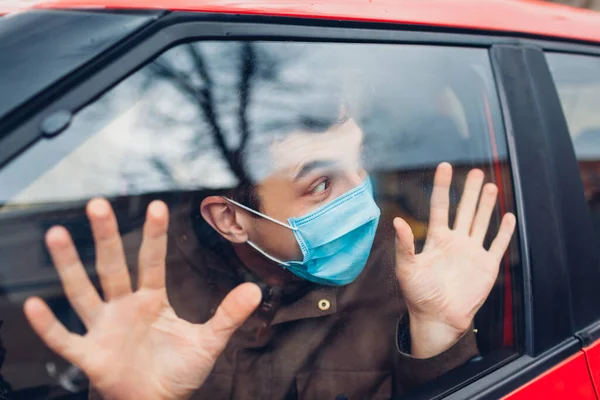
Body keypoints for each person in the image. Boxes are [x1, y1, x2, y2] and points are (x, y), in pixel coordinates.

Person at [22, 112, 515, 400]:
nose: (363, 198)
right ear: (231, 219)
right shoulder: (142, 288)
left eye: (360, 162)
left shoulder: (406, 270)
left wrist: (438, 334)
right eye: (321, 184)